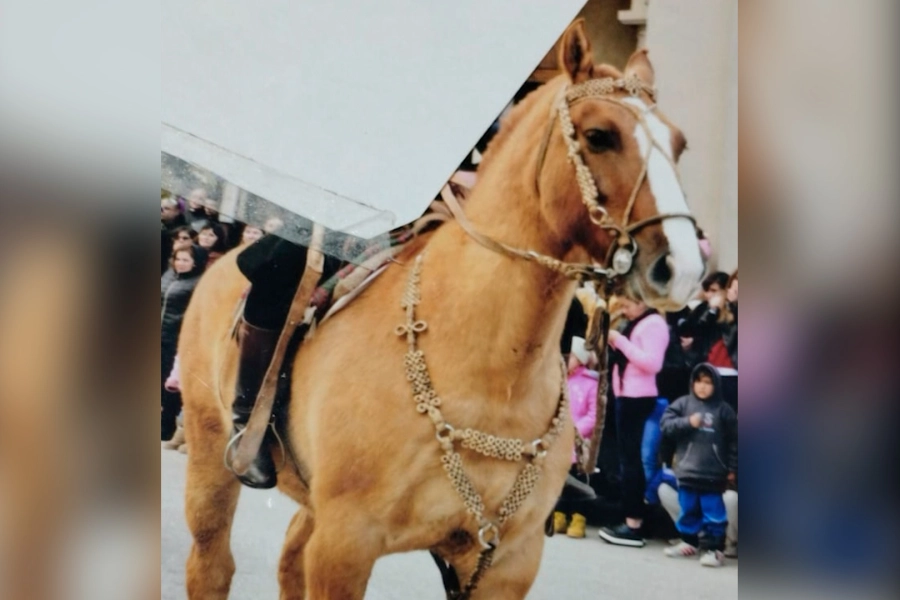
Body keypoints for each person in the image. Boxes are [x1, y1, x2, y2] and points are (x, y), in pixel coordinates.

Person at [598, 293, 669, 547]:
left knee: (632, 461)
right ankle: (630, 517)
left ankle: (633, 523)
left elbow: (653, 363)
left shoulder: (654, 324)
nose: (625, 310)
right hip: (626, 393)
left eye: (628, 306)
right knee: (627, 459)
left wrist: (620, 342)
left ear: (642, 303)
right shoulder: (639, 322)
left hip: (638, 396)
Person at [659, 363, 738, 567]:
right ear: (692, 382)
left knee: (714, 513)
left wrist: (732, 468)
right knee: (688, 509)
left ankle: (715, 549)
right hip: (687, 471)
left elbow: (735, 441)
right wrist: (687, 423)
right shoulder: (683, 404)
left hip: (713, 474)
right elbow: (666, 425)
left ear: (716, 385)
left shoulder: (724, 410)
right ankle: (689, 543)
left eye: (708, 382)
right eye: (699, 381)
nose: (702, 386)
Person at [553, 337, 598, 538]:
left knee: (580, 480)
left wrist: (576, 431)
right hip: (560, 441)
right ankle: (559, 514)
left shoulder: (590, 384)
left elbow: (594, 414)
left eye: (569, 356)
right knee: (559, 481)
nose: (564, 360)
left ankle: (579, 518)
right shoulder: (559, 381)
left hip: (581, 443)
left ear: (579, 359)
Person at [161, 245, 207, 440]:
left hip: (176, 338)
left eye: (185, 260)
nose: (180, 263)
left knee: (170, 384)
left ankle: (167, 425)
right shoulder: (168, 276)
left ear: (195, 263)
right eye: (178, 259)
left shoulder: (197, 283)